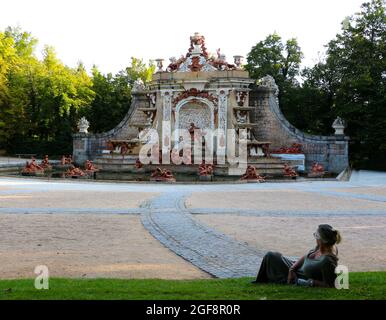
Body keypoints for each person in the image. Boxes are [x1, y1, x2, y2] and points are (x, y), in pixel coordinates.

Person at [252, 224, 342, 288]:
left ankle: (263, 280)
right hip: (295, 267)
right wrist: (292, 269)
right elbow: (306, 256)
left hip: (299, 276)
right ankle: (262, 280)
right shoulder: (321, 246)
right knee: (273, 255)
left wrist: (309, 282)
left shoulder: (327, 260)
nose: (314, 237)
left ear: (322, 240)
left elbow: (331, 284)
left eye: (316, 235)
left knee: (270, 257)